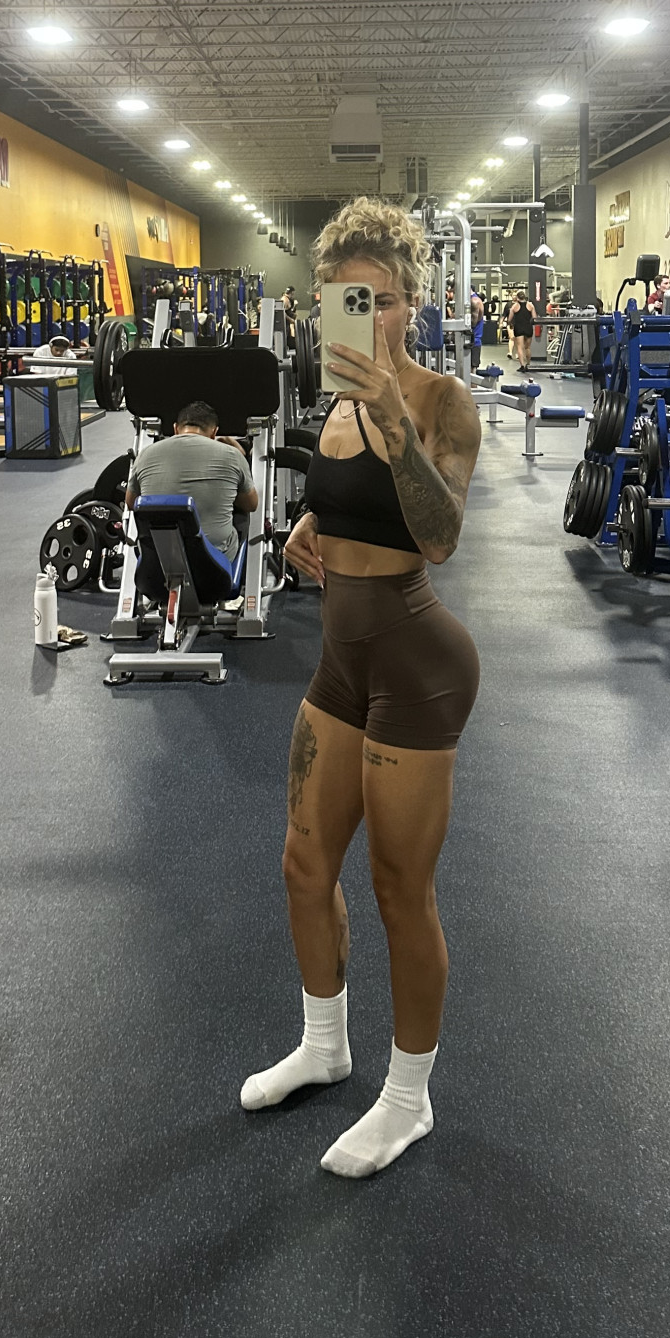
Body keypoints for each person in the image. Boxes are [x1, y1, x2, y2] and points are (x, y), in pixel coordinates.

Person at [243, 198, 481, 1179]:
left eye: (381, 299)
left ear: (412, 303)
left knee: (397, 888)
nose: (367, 317)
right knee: (304, 864)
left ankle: (407, 1098)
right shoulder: (334, 404)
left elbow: (440, 533)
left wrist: (391, 412)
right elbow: (348, 504)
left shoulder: (440, 400)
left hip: (418, 664)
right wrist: (313, 527)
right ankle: (324, 1044)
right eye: (347, 300)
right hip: (342, 662)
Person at [124, 400, 259, 603]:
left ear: (175, 429)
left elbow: (131, 503)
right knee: (242, 517)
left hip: (155, 568)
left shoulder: (145, 454)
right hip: (212, 572)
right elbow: (251, 505)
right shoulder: (232, 455)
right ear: (214, 432)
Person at [507, 289, 535, 370]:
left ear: (517, 298)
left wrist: (510, 324)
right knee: (528, 347)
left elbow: (509, 319)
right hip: (528, 327)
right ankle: (528, 364)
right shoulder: (530, 305)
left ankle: (522, 365)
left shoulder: (514, 306)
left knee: (519, 347)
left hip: (519, 327)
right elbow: (534, 318)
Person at [468, 285, 485, 373]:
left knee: (472, 369)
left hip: (473, 339)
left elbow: (473, 323)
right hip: (469, 339)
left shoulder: (474, 301)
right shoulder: (470, 300)